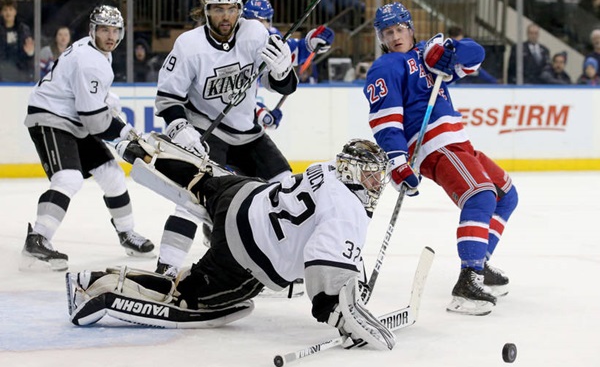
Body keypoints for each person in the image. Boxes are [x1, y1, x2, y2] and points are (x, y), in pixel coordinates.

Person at [66, 137, 396, 351]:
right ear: (352, 172)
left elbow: (322, 236)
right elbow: (323, 262)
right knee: (187, 294)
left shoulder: (325, 169)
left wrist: (352, 278)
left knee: (202, 178)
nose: (376, 183)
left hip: (242, 193)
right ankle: (97, 287)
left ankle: (147, 151)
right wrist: (337, 312)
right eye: (370, 175)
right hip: (245, 253)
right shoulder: (350, 209)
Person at [364, 2, 519, 316]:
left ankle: (480, 261)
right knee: (480, 196)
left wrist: (446, 49)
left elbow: (476, 55)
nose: (395, 36)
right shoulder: (386, 68)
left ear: (410, 28)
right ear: (382, 37)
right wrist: (397, 162)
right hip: (433, 146)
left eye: (400, 29)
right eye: (388, 32)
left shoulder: (426, 54)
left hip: (458, 142)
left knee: (506, 195)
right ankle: (468, 281)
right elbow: (386, 122)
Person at [153, 0, 299, 278]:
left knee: (287, 189)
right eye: (218, 9)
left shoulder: (255, 34)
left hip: (248, 133)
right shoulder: (189, 45)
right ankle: (165, 269)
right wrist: (181, 126)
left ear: (239, 11)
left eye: (231, 9)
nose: (225, 16)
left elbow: (283, 86)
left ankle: (284, 263)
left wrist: (283, 72)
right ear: (205, 11)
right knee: (191, 199)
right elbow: (167, 97)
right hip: (208, 131)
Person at [21, 5, 154, 272]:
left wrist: (117, 120)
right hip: (51, 117)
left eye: (115, 30)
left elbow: (92, 102)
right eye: (104, 29)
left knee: (112, 175)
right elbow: (95, 121)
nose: (110, 36)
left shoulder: (97, 52)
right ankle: (38, 239)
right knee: (68, 178)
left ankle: (127, 234)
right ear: (92, 30)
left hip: (74, 119)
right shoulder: (90, 60)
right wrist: (125, 136)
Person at [242, 0, 335, 121]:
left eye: (263, 21)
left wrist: (311, 43)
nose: (258, 27)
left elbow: (293, 52)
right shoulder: (235, 42)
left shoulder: (271, 36)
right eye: (253, 22)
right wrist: (260, 112)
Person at [0, 0, 34, 82]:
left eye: (10, 9)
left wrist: (30, 53)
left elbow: (29, 54)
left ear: (15, 12)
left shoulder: (23, 29)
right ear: (1, 13)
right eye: (5, 10)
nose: (8, 13)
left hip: (19, 73)